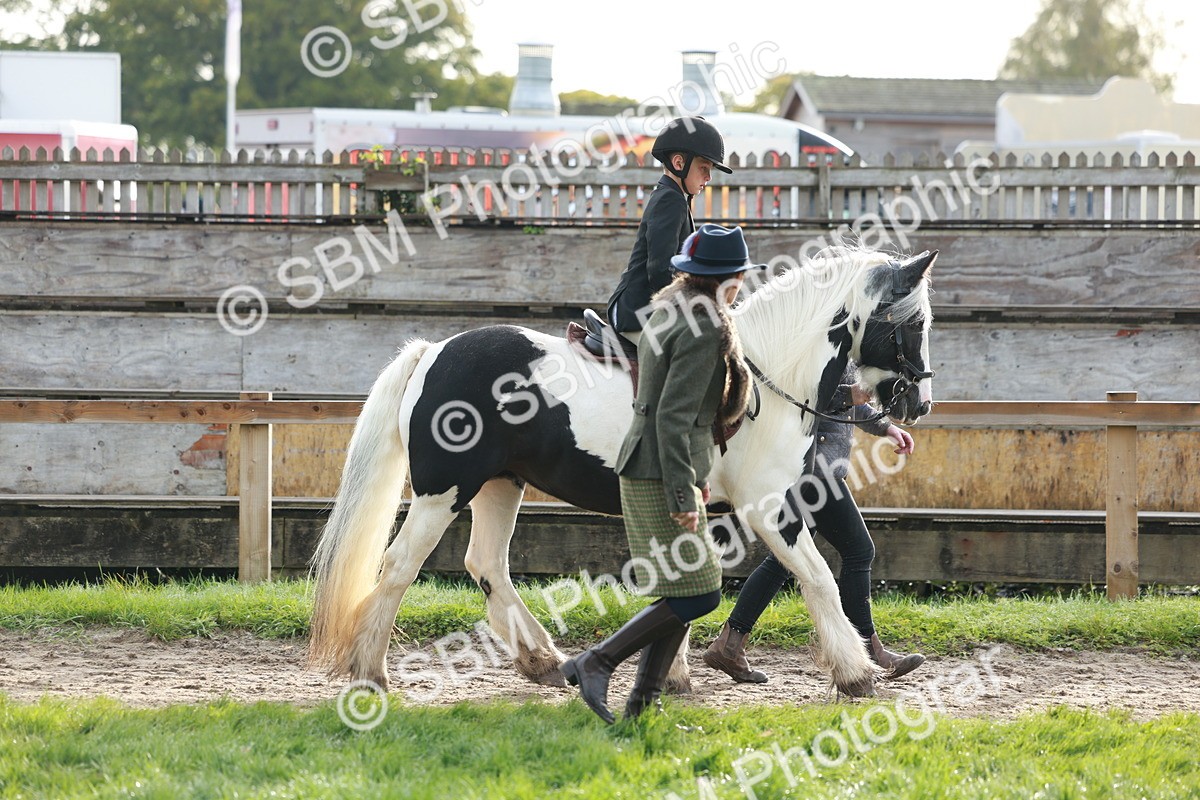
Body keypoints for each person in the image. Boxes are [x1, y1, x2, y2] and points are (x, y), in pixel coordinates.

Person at [560, 223, 759, 724]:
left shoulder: (669, 309)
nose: (741, 284)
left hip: (651, 465)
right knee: (703, 592)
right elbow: (673, 417)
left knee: (682, 593)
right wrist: (683, 494)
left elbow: (682, 416)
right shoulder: (707, 327)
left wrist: (696, 475)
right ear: (726, 277)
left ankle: (640, 707)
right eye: (739, 275)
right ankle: (597, 661)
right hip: (657, 473)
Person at [702, 369, 926, 684]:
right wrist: (854, 395)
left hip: (815, 469)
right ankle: (870, 653)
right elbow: (804, 395)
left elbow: (850, 403)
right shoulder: (822, 335)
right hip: (811, 469)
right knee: (858, 550)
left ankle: (730, 643)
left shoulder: (843, 342)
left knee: (784, 560)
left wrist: (886, 428)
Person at [606, 116, 732, 343]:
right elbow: (660, 270)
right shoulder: (670, 200)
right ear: (679, 163)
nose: (709, 177)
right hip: (637, 312)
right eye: (704, 168)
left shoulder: (674, 197)